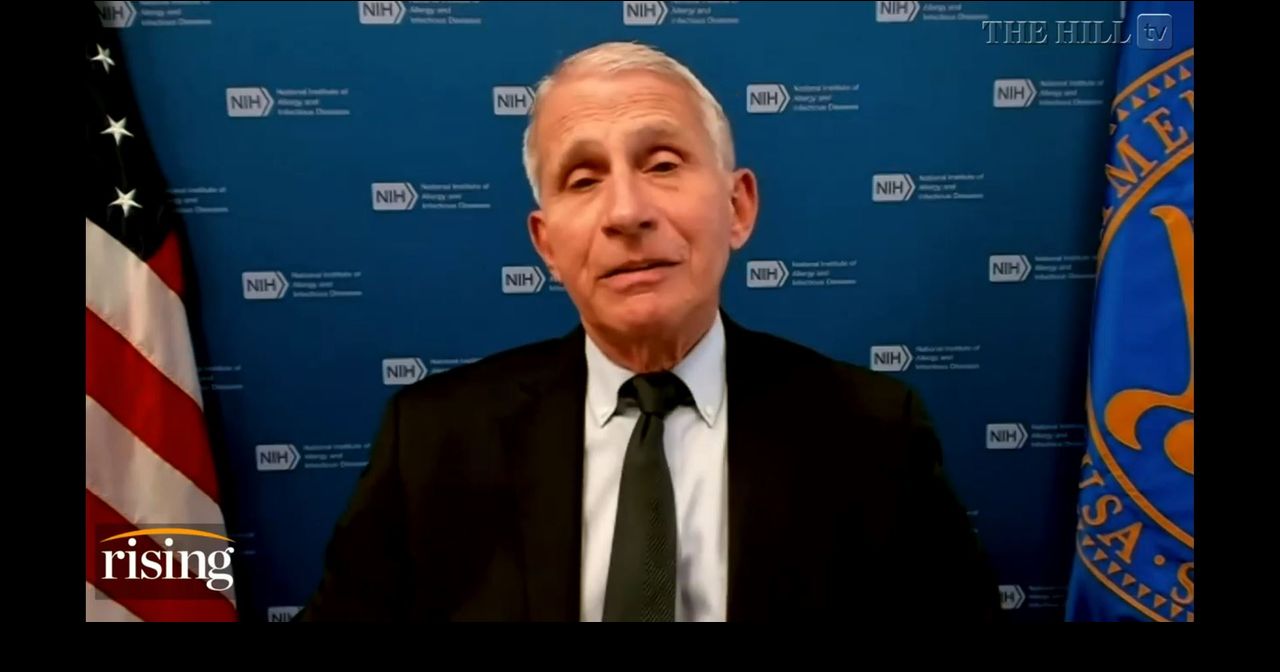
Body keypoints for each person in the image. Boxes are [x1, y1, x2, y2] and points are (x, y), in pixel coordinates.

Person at [298, 41, 999, 622]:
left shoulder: (872, 433)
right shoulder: (431, 441)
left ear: (738, 207)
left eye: (662, 164)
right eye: (583, 179)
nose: (626, 212)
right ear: (546, 244)